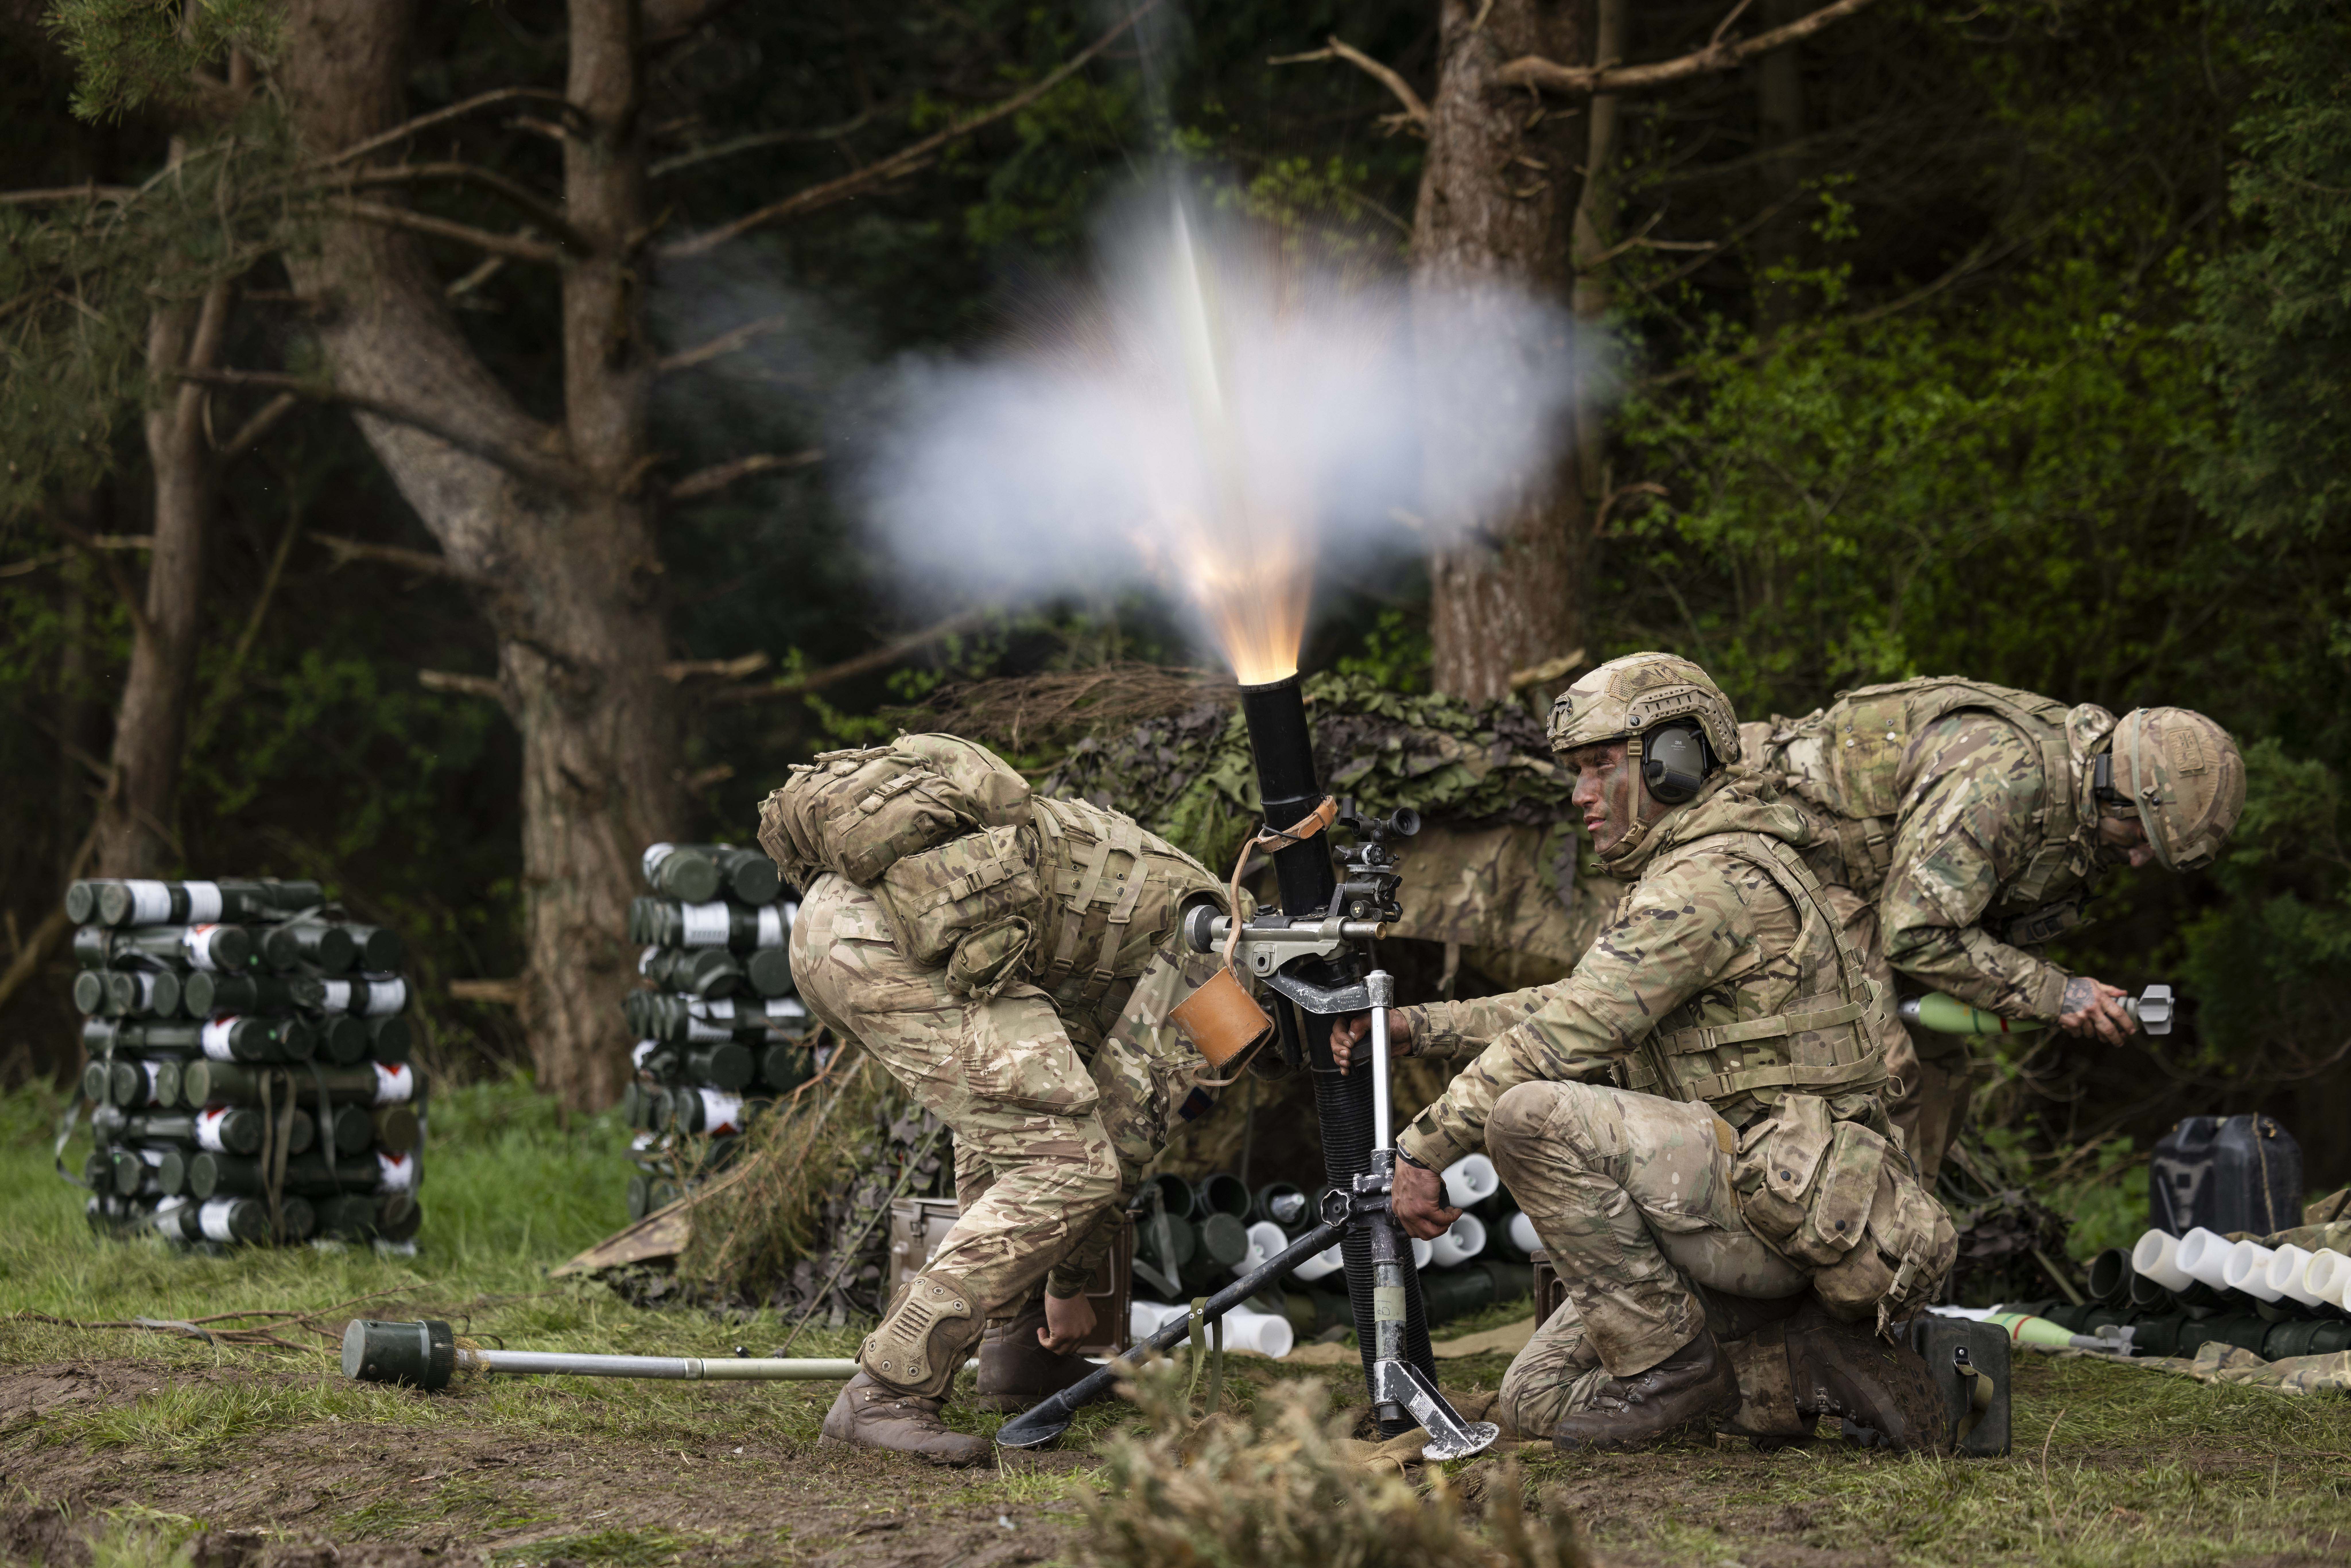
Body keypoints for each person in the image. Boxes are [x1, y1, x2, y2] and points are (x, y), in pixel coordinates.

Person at [1334, 652, 1953, 1452]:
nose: (1580, 795)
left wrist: (1419, 1151)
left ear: (1675, 762)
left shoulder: (1705, 885)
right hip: (1739, 1201)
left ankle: (1678, 1365)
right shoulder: (1694, 871)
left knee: (1529, 1118)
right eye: (1577, 772)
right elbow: (1584, 1000)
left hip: (1772, 1214)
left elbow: (1567, 1036)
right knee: (1535, 1403)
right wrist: (1424, 1027)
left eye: (1599, 767)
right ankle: (1795, 1368)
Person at [760, 735, 1237, 1465]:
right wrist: (1070, 1290)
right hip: (897, 936)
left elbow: (1003, 1129)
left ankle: (1018, 1357)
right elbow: (1127, 1130)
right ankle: (887, 1388)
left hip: (837, 922)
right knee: (1071, 1165)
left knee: (1025, 1138)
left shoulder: (1181, 895)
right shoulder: (1228, 968)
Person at [1740, 682, 2245, 1178]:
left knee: (1944, 1077)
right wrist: (2059, 994)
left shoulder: (2078, 792)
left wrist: (2058, 992)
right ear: (2119, 793)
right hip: (1786, 850)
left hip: (1880, 889)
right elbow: (1917, 935)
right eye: (2140, 837)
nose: (2136, 860)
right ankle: (1840, 1246)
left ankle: (1908, 1237)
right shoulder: (2005, 783)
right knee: (1885, 1077)